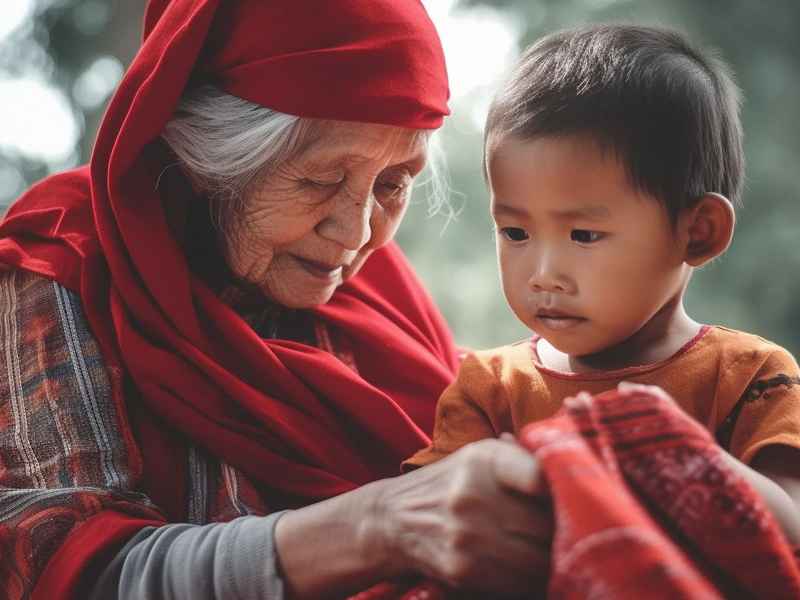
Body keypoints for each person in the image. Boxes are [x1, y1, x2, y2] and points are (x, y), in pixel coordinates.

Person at [0, 2, 549, 599]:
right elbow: (61, 563)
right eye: (318, 181)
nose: (357, 233)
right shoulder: (62, 273)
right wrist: (380, 523)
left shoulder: (372, 290)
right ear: (210, 161)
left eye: (394, 185)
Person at [406, 23, 800, 551]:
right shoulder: (491, 389)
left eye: (583, 234)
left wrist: (664, 445)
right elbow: (425, 520)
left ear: (698, 232)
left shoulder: (749, 376)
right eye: (516, 232)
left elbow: (788, 529)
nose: (543, 272)